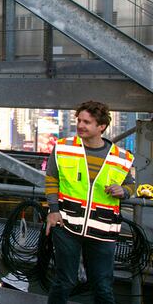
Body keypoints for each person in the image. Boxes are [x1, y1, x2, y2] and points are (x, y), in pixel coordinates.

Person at [45, 101, 134, 304]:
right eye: (79, 120)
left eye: (87, 122)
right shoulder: (63, 147)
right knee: (64, 281)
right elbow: (51, 179)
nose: (80, 125)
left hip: (103, 230)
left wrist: (124, 191)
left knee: (102, 286)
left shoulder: (121, 157)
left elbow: (130, 185)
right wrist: (53, 210)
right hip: (66, 225)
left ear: (101, 126)